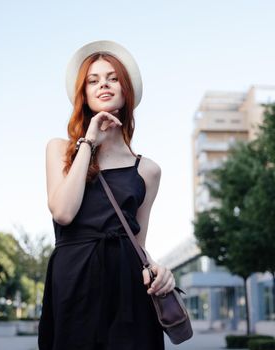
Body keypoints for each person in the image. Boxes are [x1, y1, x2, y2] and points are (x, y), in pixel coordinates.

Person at [38, 40, 175, 350]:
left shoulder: (148, 170)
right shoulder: (60, 150)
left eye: (113, 78)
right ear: (84, 95)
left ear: (125, 90)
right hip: (74, 282)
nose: (104, 85)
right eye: (93, 80)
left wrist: (160, 271)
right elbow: (62, 212)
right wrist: (89, 141)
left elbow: (138, 246)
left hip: (128, 291)